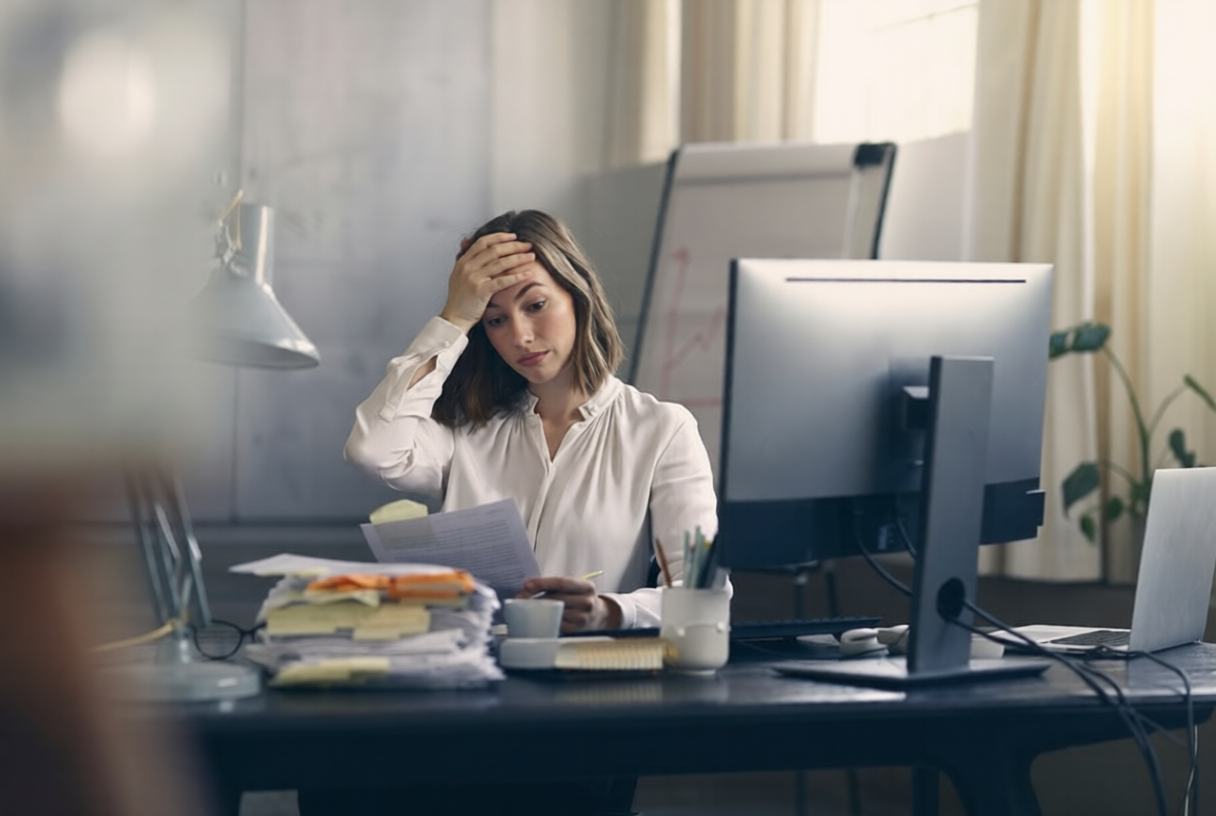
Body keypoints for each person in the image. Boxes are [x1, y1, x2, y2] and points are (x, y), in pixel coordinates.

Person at [343, 208, 720, 632]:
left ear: (578, 296)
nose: (520, 335)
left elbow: (702, 594)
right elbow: (372, 450)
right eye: (496, 320)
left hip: (585, 681)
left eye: (536, 305)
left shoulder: (662, 430)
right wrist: (454, 318)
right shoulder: (467, 432)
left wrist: (609, 611)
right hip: (470, 674)